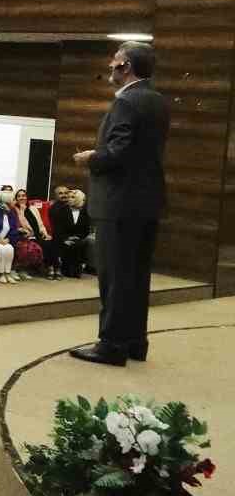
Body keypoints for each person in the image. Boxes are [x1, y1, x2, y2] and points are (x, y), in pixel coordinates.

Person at [71, 42, 169, 366]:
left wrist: (91, 158)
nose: (109, 69)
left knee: (113, 277)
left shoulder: (126, 101)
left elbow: (119, 152)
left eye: (113, 63)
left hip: (119, 204)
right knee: (137, 276)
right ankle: (134, 342)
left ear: (125, 66)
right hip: (147, 202)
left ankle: (111, 345)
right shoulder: (157, 100)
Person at [51, 189, 94, 278]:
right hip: (63, 237)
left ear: (78, 199)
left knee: (80, 243)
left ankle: (77, 269)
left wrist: (77, 237)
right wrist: (65, 238)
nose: (69, 199)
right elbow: (57, 228)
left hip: (78, 238)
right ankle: (66, 269)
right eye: (69, 197)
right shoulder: (61, 210)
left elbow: (86, 229)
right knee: (67, 244)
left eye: (72, 197)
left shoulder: (85, 212)